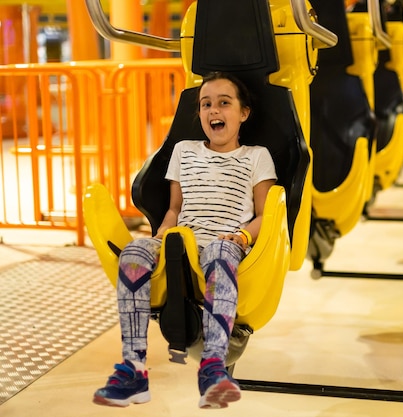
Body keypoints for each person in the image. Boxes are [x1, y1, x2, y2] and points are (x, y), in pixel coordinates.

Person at [93, 72, 277, 409]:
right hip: (181, 238)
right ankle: (133, 370)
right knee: (134, 252)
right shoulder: (184, 150)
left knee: (220, 253)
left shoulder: (256, 156)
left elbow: (266, 215)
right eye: (206, 104)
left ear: (244, 113)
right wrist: (161, 235)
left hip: (225, 240)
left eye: (224, 103)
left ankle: (213, 368)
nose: (213, 111)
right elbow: (175, 208)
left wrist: (240, 235)